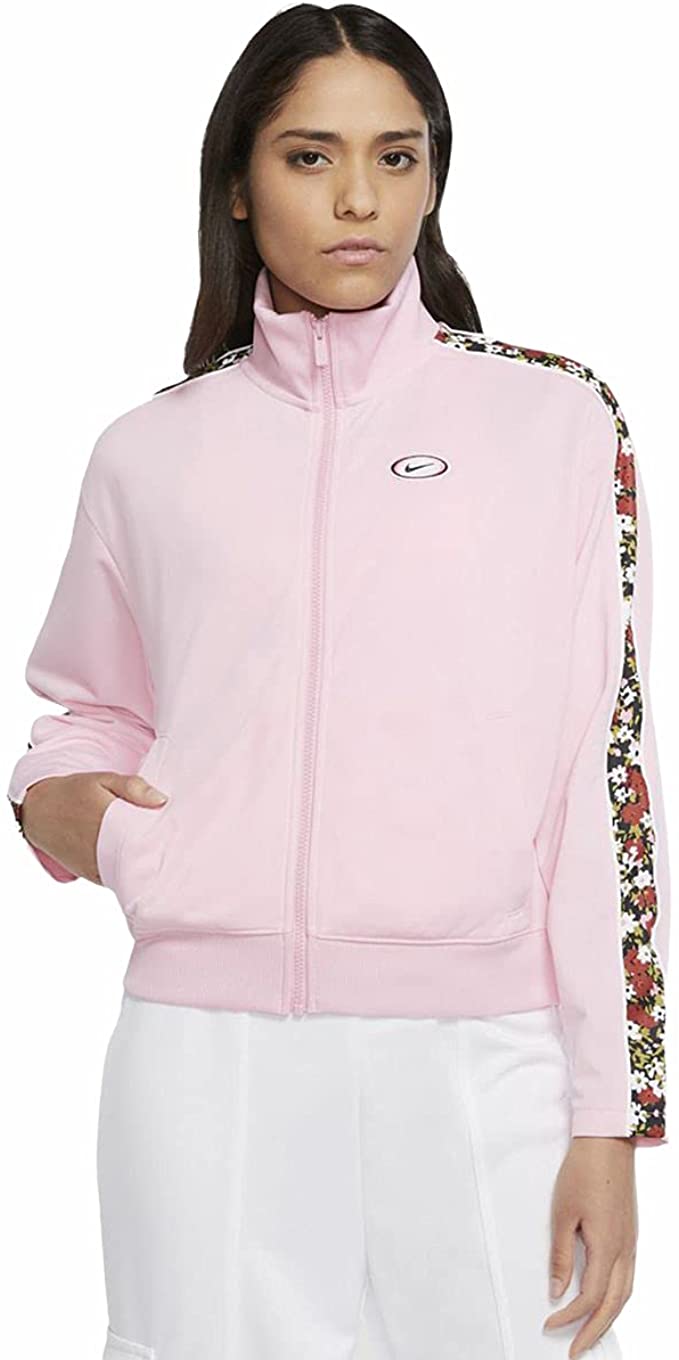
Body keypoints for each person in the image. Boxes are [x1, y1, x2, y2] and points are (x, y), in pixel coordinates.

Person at [6, 5, 669, 1359]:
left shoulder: (554, 420)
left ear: (433, 176)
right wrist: (61, 808)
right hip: (203, 1059)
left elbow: (603, 769)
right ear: (238, 187)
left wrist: (614, 1115)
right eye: (310, 156)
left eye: (396, 155)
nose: (360, 198)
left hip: (480, 1052)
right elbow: (93, 704)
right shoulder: (151, 449)